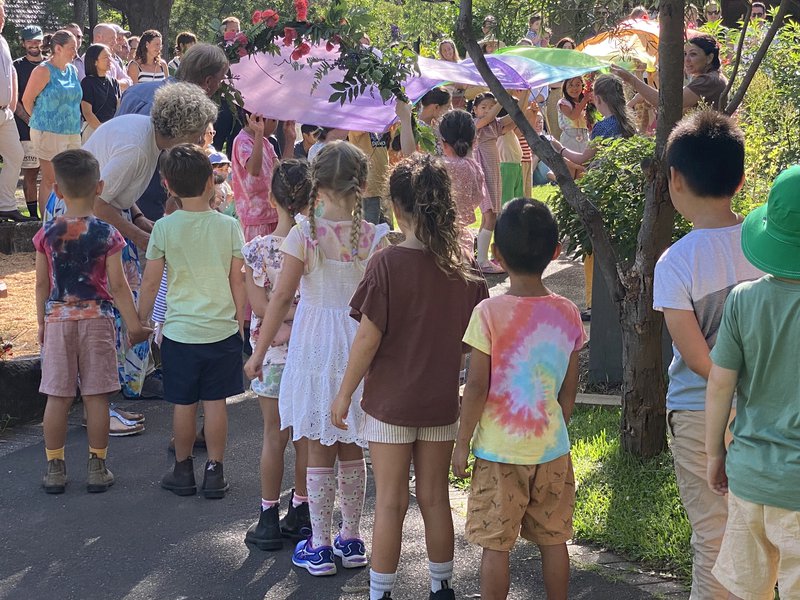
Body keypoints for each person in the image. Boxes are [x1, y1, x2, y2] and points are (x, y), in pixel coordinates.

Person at [332, 154, 488, 600]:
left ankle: (381, 592)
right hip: (441, 403)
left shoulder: (386, 265)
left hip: (389, 405)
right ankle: (442, 587)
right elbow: (470, 344)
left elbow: (367, 341)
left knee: (390, 502)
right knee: (435, 499)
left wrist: (344, 393)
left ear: (396, 207)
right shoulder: (466, 270)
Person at [244, 141, 390, 577]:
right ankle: (352, 537)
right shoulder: (374, 236)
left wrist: (257, 353)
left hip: (312, 347)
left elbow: (281, 297)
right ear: (362, 185)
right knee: (351, 447)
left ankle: (320, 544)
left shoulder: (303, 234)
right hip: (357, 345)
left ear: (316, 185)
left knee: (317, 446)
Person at [652, 110, 762, 599]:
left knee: (713, 538)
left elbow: (696, 356)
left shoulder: (675, 262)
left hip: (700, 415)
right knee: (762, 537)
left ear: (675, 179)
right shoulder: (767, 247)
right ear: (740, 178)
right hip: (768, 410)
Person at [453, 198, 586, 600]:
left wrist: (462, 445)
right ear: (556, 252)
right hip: (552, 448)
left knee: (497, 543)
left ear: (496, 254)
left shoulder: (489, 312)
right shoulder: (568, 312)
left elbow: (476, 387)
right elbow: (569, 387)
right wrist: (556, 422)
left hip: (498, 452)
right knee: (554, 537)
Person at [78, 82, 219, 402]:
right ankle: (113, 389)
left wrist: (139, 219)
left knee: (131, 298)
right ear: (182, 129)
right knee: (122, 302)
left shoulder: (147, 138)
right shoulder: (136, 147)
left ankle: (126, 383)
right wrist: (140, 235)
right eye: (198, 133)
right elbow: (97, 201)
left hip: (102, 218)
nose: (200, 140)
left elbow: (118, 193)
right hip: (84, 222)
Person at [705, 165, 800, 600]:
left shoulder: (743, 299)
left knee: (747, 592)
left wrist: (713, 454)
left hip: (749, 477)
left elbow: (720, 384)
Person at [35, 149, 151, 494]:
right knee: (96, 397)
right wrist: (133, 325)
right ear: (99, 187)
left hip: (58, 319)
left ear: (56, 189)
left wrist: (41, 320)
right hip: (98, 320)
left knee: (56, 396)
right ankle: (97, 466)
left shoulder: (47, 233)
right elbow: (117, 285)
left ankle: (55, 467)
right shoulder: (107, 234)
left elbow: (42, 283)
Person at [137, 144, 246, 499]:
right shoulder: (229, 226)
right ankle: (215, 470)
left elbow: (151, 281)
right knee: (215, 404)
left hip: (181, 332)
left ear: (168, 185)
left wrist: (142, 319)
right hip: (221, 329)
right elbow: (237, 279)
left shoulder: (164, 228)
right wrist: (240, 322)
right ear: (210, 182)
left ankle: (183, 469)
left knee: (183, 404)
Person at [243, 159, 313, 550]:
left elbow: (258, 306)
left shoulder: (257, 250)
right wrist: (296, 306)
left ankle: (267, 516)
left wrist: (278, 305)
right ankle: (301, 510)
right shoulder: (312, 247)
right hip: (305, 357)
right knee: (304, 438)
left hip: (269, 357)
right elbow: (313, 303)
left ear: (272, 197)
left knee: (274, 437)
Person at [22, 30, 82, 219]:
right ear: (58, 48)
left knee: (71, 179)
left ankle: (68, 218)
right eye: (72, 48)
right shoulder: (43, 70)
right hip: (48, 132)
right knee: (50, 180)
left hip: (72, 132)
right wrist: (42, 121)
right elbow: (27, 100)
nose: (76, 52)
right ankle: (48, 225)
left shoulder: (72, 70)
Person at [472, 91, 527, 273]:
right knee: (490, 216)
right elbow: (488, 118)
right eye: (483, 107)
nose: (487, 110)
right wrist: (503, 98)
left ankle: (480, 258)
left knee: (489, 215)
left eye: (491, 106)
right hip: (482, 173)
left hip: (493, 173)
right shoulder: (475, 125)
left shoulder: (493, 125)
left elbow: (514, 117)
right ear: (474, 110)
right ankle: (482, 261)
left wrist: (524, 93)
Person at [613, 34, 727, 111]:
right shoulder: (712, 78)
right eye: (685, 54)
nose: (686, 60)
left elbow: (668, 103)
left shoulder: (709, 81)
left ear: (709, 58)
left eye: (693, 54)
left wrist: (631, 79)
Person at [232, 113, 297, 241]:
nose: (276, 124)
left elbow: (281, 174)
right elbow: (254, 170)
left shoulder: (265, 142)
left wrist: (290, 140)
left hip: (274, 215)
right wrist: (259, 133)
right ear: (258, 119)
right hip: (255, 220)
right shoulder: (242, 141)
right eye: (273, 119)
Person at [551, 74, 637, 165]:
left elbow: (583, 159)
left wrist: (560, 148)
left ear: (598, 99)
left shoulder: (602, 127)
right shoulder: (629, 120)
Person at [438, 109, 491, 254]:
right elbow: (477, 198)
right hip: (462, 238)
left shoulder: (440, 167)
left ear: (443, 143)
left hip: (439, 237)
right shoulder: (475, 168)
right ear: (474, 141)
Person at [13, 25, 45, 220]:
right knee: (31, 174)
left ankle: (49, 214)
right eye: (30, 40)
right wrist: (30, 120)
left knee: (52, 175)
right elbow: (14, 100)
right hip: (26, 129)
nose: (34, 44)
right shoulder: (17, 66)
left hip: (51, 128)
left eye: (37, 40)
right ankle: (34, 217)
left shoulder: (50, 65)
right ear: (23, 43)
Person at [80, 44, 121, 142]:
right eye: (105, 57)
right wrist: (102, 130)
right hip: (93, 130)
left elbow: (118, 108)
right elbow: (87, 112)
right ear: (95, 62)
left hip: (112, 130)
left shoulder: (114, 82)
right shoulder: (87, 82)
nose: (110, 60)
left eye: (110, 56)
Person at [557, 76, 590, 153]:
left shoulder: (586, 102)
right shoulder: (563, 103)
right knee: (572, 162)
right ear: (565, 88)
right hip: (569, 137)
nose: (574, 88)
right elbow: (573, 116)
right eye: (571, 85)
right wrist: (585, 100)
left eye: (577, 85)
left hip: (585, 135)